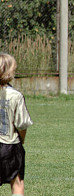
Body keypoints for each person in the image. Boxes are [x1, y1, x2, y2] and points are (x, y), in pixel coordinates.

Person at [0, 53, 33, 196]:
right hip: (10, 146)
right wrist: (22, 140)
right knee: (17, 185)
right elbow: (22, 124)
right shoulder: (16, 96)